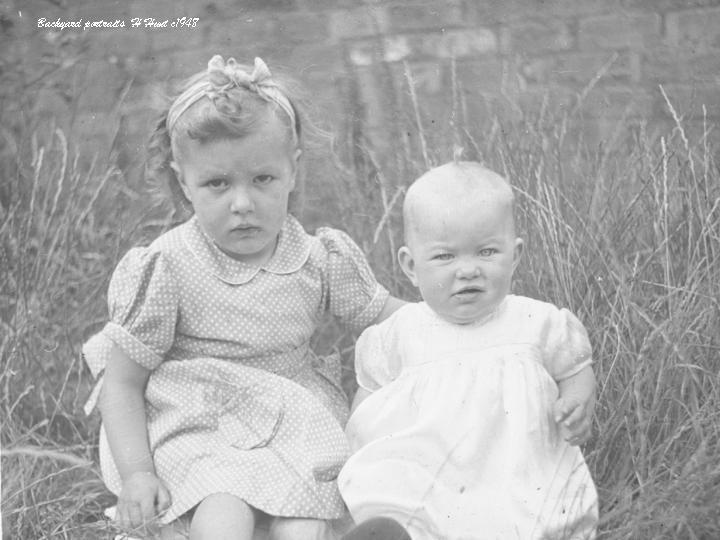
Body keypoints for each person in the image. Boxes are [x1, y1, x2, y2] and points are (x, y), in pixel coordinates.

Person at [82, 55, 404, 540]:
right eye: (217, 184)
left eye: (263, 179)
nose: (242, 203)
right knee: (225, 507)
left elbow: (393, 319)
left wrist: (478, 325)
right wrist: (137, 475)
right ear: (182, 183)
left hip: (293, 424)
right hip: (198, 427)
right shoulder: (168, 265)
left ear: (292, 171)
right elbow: (121, 383)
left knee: (306, 516)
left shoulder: (317, 258)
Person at [338, 161, 599, 539]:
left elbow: (576, 367)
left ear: (516, 255)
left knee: (527, 521)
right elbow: (368, 401)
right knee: (399, 503)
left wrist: (577, 399)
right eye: (445, 256)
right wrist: (358, 446)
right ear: (411, 266)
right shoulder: (400, 332)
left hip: (514, 469)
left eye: (487, 252)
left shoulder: (535, 321)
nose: (468, 270)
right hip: (425, 471)